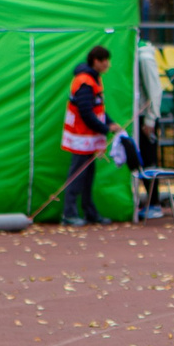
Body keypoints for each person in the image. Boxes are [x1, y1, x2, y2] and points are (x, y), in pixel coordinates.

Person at [59, 44, 118, 226]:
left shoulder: (94, 79)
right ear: (96, 61)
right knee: (77, 175)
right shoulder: (85, 81)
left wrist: (108, 123)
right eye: (105, 61)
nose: (107, 64)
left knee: (87, 176)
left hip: (88, 137)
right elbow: (86, 113)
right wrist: (105, 128)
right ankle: (69, 214)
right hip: (80, 137)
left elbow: (97, 107)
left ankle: (89, 212)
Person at [132, 41, 166, 216]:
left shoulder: (144, 56)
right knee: (137, 161)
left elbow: (154, 89)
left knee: (148, 160)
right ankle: (147, 200)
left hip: (144, 118)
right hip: (136, 115)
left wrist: (150, 119)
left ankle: (154, 203)